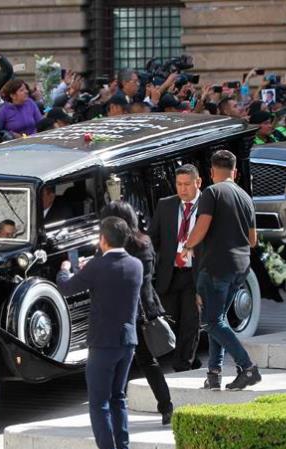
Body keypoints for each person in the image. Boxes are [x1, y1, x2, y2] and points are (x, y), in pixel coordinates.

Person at [57, 217, 142, 449]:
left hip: (102, 343)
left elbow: (67, 287)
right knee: (118, 398)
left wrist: (64, 268)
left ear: (102, 240)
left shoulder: (97, 266)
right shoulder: (136, 265)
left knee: (99, 403)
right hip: (127, 341)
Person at [181, 150, 261, 391]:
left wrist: (188, 245)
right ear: (234, 172)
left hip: (216, 266)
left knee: (212, 322)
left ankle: (247, 368)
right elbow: (253, 239)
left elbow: (202, 226)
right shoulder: (245, 196)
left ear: (212, 171)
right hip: (241, 267)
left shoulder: (211, 193)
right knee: (220, 319)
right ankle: (214, 373)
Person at [101, 202, 173, 425]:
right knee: (147, 361)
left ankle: (113, 412)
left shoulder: (116, 249)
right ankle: (166, 406)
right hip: (144, 309)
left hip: (122, 312)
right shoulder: (145, 243)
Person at [150, 164, 202, 372]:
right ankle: (191, 359)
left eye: (187, 184)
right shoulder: (166, 205)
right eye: (179, 184)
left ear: (198, 182)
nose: (183, 189)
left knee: (191, 322)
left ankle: (183, 366)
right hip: (170, 273)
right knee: (172, 321)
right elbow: (153, 239)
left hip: (195, 274)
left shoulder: (209, 205)